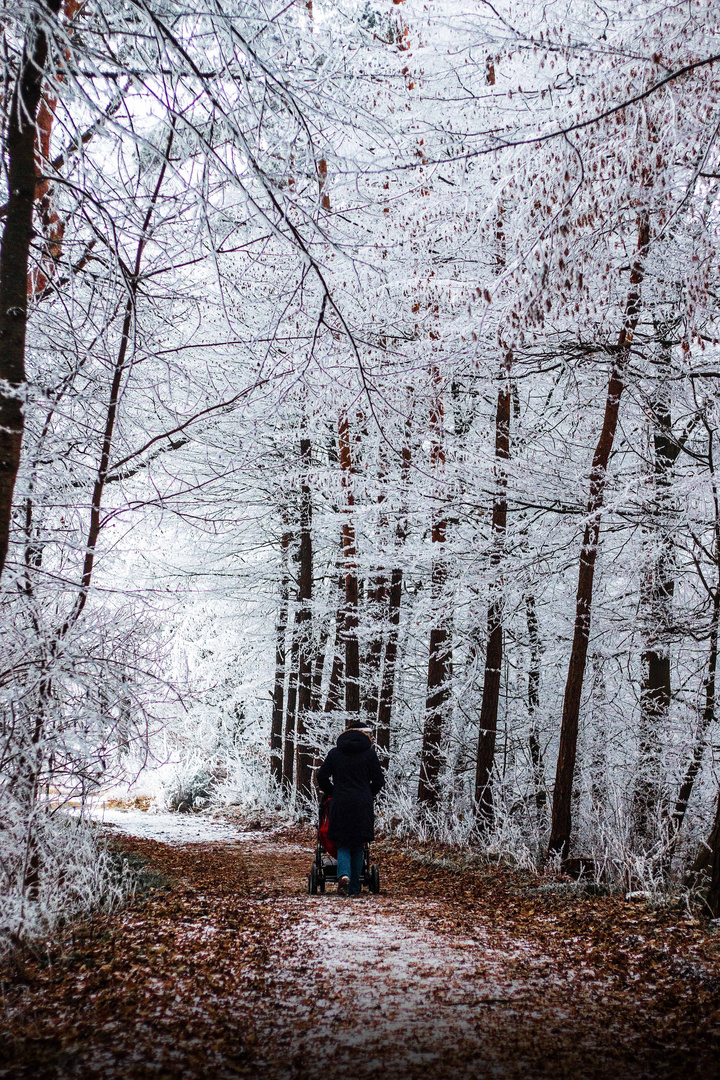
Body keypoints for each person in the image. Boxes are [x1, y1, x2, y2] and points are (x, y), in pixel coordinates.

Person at [316, 718, 385, 896]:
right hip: (362, 803)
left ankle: (343, 875)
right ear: (365, 735)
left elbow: (322, 776)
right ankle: (354, 888)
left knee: (344, 843)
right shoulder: (370, 755)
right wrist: (368, 794)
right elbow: (379, 780)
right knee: (358, 844)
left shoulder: (335, 753)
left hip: (340, 802)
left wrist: (333, 791)